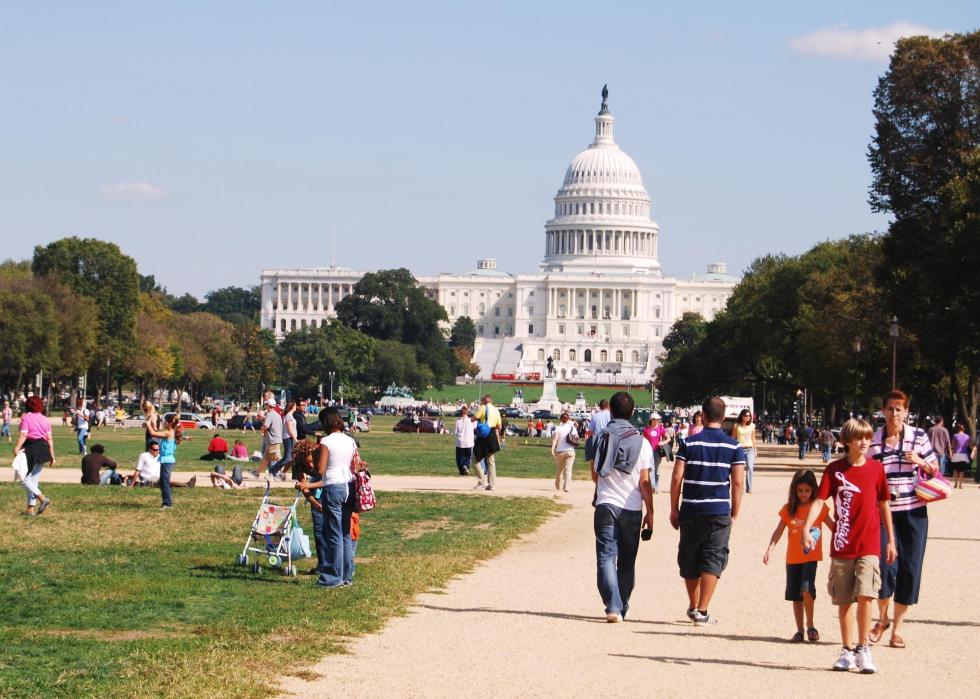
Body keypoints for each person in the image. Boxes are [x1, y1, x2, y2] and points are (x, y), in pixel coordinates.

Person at [803, 418, 896, 674]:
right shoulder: (834, 470)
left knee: (866, 596)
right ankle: (846, 649)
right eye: (858, 438)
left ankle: (864, 647)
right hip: (843, 544)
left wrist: (892, 540)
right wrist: (806, 528)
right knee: (844, 600)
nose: (864, 442)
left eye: (867, 437)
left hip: (869, 543)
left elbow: (883, 503)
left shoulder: (876, 469)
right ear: (846, 441)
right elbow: (820, 502)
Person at [866, 389, 939, 649]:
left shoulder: (919, 437)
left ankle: (897, 629)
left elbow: (936, 469)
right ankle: (882, 619)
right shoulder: (874, 441)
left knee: (910, 569)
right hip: (884, 514)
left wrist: (919, 460)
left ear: (906, 412)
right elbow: (866, 474)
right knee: (885, 569)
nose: (895, 413)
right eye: (890, 408)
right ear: (883, 411)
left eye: (899, 409)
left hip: (914, 513)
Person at [669, 396, 745, 626]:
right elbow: (739, 483)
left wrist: (674, 508)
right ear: (724, 417)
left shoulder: (689, 443)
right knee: (713, 557)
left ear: (702, 415)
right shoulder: (734, 446)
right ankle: (703, 610)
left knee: (690, 557)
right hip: (718, 509)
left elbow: (676, 477)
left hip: (691, 507)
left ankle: (693, 605)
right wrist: (735, 512)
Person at [591, 391, 654, 622]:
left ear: (611, 411)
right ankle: (622, 604)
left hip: (606, 503)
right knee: (627, 560)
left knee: (606, 556)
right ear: (632, 413)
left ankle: (612, 606)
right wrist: (651, 512)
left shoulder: (601, 438)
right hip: (632, 506)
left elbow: (595, 476)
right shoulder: (643, 443)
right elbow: (645, 483)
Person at [764, 469, 833, 643]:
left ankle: (811, 625)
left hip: (810, 557)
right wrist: (770, 548)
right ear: (794, 490)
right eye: (800, 490)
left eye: (807, 491)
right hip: (793, 559)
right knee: (795, 595)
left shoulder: (819, 508)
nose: (803, 494)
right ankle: (799, 630)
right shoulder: (789, 509)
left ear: (813, 490)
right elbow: (778, 530)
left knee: (807, 590)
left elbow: (834, 526)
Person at [296, 408, 358, 588]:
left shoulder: (326, 441)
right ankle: (347, 576)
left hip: (333, 487)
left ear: (325, 423)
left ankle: (332, 577)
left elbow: (321, 470)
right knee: (346, 533)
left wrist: (310, 465)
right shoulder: (350, 440)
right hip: (349, 486)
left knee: (334, 534)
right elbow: (353, 465)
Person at [13, 396, 55, 516]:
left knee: (24, 479)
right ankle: (30, 509)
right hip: (44, 448)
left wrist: (16, 448)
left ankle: (42, 498)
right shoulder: (45, 419)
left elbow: (23, 434)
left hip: (31, 448)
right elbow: (50, 439)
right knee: (33, 481)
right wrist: (52, 456)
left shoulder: (27, 417)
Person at [292, 439, 325, 574]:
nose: (310, 464)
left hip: (329, 489)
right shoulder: (298, 463)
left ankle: (334, 564)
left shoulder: (321, 455)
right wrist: (314, 503)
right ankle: (322, 565)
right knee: (319, 532)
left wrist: (308, 486)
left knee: (332, 531)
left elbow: (330, 481)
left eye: (311, 460)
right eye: (307, 461)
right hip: (316, 495)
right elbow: (303, 486)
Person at [147, 413, 183, 509]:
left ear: (169, 423)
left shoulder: (169, 433)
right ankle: (166, 502)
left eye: (165, 421)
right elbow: (157, 432)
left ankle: (167, 503)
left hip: (167, 460)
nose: (164, 423)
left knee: (164, 482)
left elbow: (153, 434)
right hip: (166, 460)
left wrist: (148, 424)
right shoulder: (170, 432)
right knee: (163, 482)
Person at [470, 395, 502, 491]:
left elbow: (474, 418)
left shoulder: (483, 407)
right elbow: (499, 426)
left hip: (483, 436)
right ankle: (492, 484)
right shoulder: (496, 411)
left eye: (481, 401)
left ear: (485, 400)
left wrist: (475, 419)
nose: (481, 402)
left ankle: (481, 481)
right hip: (492, 435)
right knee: (491, 461)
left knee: (475, 459)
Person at [250, 396, 283, 478]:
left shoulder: (270, 414)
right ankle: (257, 473)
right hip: (276, 439)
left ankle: (279, 474)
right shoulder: (277, 415)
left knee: (277, 458)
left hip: (272, 440)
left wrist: (261, 428)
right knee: (266, 459)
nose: (266, 406)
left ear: (268, 405)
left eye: (266, 405)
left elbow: (266, 426)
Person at [270, 400, 299, 479]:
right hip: (288, 438)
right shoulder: (289, 416)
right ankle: (272, 471)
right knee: (287, 458)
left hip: (289, 438)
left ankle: (278, 472)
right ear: (292, 406)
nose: (296, 407)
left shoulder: (289, 415)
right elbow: (290, 429)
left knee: (290, 458)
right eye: (295, 405)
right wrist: (295, 439)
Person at [731, 409, 757, 493]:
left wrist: (755, 449)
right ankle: (740, 487)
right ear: (742, 416)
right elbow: (733, 438)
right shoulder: (736, 426)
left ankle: (749, 488)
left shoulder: (752, 426)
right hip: (740, 449)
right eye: (746, 416)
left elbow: (753, 438)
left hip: (750, 449)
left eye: (749, 416)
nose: (748, 417)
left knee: (750, 467)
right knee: (740, 469)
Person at [551, 412, 577, 492]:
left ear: (560, 419)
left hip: (560, 451)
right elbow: (576, 437)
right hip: (570, 451)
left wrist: (552, 448)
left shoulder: (558, 428)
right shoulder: (572, 428)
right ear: (568, 419)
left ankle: (558, 485)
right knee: (568, 470)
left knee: (559, 469)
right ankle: (566, 487)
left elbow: (555, 439)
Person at [641, 414, 667, 492]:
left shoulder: (661, 428)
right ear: (652, 419)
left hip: (657, 452)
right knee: (650, 470)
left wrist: (662, 443)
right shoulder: (646, 429)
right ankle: (652, 487)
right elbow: (643, 440)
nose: (657, 421)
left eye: (658, 419)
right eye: (656, 419)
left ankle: (656, 487)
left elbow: (668, 438)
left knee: (657, 471)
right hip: (648, 452)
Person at [585, 399, 611, 470]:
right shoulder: (612, 415)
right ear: (608, 406)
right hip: (609, 441)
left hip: (597, 441)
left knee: (596, 463)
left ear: (600, 407)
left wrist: (589, 443)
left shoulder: (595, 416)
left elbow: (590, 431)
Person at [949, 423, 975, 489]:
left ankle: (955, 483)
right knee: (961, 470)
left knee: (955, 469)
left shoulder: (955, 436)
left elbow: (953, 445)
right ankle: (960, 485)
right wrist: (973, 451)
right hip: (963, 454)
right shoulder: (967, 436)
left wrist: (951, 452)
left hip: (956, 454)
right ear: (963, 429)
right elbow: (969, 445)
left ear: (957, 429)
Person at [453, 406, 475, 476]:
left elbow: (455, 432)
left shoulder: (458, 421)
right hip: (468, 442)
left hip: (460, 442)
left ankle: (461, 470)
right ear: (467, 412)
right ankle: (465, 465)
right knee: (468, 456)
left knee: (459, 458)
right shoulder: (471, 421)